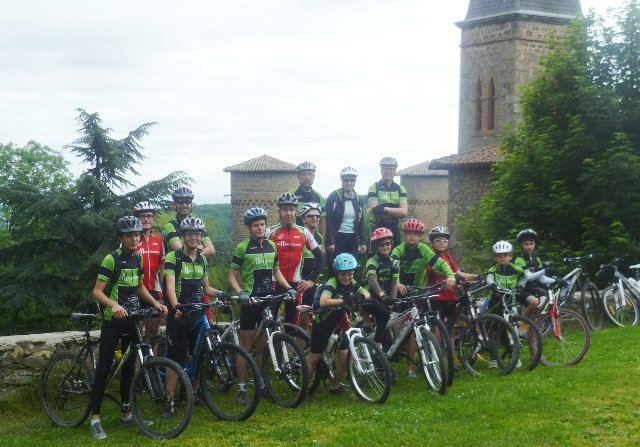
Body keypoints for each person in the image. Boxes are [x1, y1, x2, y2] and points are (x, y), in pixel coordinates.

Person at [89, 216, 167, 440]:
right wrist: (114, 306)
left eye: (137, 235)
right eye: (129, 235)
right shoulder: (111, 259)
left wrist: (155, 303)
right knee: (103, 369)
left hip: (132, 319)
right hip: (113, 321)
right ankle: (95, 418)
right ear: (120, 238)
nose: (134, 239)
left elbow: (140, 287)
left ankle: (126, 412)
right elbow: (97, 292)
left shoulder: (138, 259)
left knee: (128, 369)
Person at [228, 207, 295, 404]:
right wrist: (240, 292)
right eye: (256, 225)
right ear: (249, 227)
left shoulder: (272, 246)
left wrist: (288, 287)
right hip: (250, 301)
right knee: (246, 346)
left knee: (263, 346)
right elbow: (231, 276)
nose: (260, 228)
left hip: (267, 300)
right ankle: (241, 387)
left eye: (262, 225)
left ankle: (262, 383)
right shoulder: (242, 248)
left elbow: (276, 271)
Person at [163, 217, 228, 416]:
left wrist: (222, 293)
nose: (193, 237)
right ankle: (169, 401)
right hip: (179, 314)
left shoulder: (202, 258)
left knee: (201, 353)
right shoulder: (173, 258)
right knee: (176, 358)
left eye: (197, 234)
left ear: (201, 237)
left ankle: (197, 391)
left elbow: (206, 287)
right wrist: (175, 306)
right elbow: (170, 287)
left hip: (197, 312)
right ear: (182, 236)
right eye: (189, 234)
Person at [307, 253, 370, 395]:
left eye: (350, 274)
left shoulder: (351, 283)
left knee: (344, 356)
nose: (347, 277)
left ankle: (335, 386)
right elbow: (324, 301)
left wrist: (360, 296)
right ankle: (303, 391)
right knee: (314, 358)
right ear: (337, 273)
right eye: (343, 274)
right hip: (322, 322)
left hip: (339, 322)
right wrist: (345, 300)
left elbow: (366, 292)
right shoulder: (332, 283)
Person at [265, 192, 324, 326]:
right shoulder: (270, 232)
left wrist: (312, 280)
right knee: (269, 322)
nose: (288, 213)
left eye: (291, 209)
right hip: (273, 283)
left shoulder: (304, 232)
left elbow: (320, 258)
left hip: (295, 284)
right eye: (285, 209)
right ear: (279, 211)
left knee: (291, 324)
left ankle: (289, 347)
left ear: (296, 211)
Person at [426, 226, 478, 326]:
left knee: (451, 326)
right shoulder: (430, 256)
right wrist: (454, 276)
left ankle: (451, 342)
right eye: (438, 240)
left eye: (445, 241)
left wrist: (476, 276)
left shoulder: (448, 257)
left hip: (450, 297)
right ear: (432, 242)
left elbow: (459, 273)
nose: (442, 243)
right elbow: (434, 272)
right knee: (438, 327)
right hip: (436, 297)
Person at [392, 219, 456, 297]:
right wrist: (397, 283)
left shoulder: (424, 249)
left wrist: (450, 276)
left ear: (420, 237)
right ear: (405, 235)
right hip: (401, 290)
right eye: (409, 233)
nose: (412, 236)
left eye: (415, 234)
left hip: (419, 293)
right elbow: (393, 269)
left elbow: (440, 263)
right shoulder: (398, 250)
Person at [132, 201, 165, 344]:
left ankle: (153, 365)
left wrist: (164, 291)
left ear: (153, 219)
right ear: (137, 218)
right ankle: (138, 366)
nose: (146, 219)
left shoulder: (158, 239)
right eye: (143, 216)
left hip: (153, 291)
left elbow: (162, 267)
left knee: (153, 334)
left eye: (150, 216)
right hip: (134, 292)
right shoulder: (131, 239)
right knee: (137, 336)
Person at [324, 167, 367, 274]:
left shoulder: (358, 199)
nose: (349, 183)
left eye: (352, 180)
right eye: (346, 180)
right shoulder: (334, 196)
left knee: (351, 268)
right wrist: (330, 241)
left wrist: (363, 242)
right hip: (337, 238)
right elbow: (328, 220)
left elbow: (361, 221)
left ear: (355, 182)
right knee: (336, 267)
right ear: (342, 181)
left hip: (352, 238)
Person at [360, 227, 398, 348]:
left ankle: (380, 347)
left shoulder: (394, 262)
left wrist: (392, 299)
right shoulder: (372, 261)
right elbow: (372, 280)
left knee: (385, 316)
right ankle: (377, 346)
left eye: (388, 243)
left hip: (383, 297)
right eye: (381, 245)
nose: (385, 247)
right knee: (385, 315)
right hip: (367, 295)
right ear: (376, 247)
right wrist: (383, 296)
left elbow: (394, 282)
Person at [367, 157, 408, 247]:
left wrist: (384, 209)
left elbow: (404, 212)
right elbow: (375, 210)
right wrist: (396, 211)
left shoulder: (400, 189)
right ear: (381, 170)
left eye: (391, 169)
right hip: (378, 226)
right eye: (385, 168)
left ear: (395, 171)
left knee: (395, 257)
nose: (388, 171)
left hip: (394, 228)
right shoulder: (374, 187)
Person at [513, 229, 554, 318]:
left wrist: (555, 280)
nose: (529, 247)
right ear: (521, 245)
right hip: (520, 290)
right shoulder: (520, 260)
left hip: (533, 290)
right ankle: (523, 326)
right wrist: (545, 270)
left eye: (531, 243)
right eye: (526, 244)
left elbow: (542, 278)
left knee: (550, 299)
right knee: (534, 302)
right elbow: (529, 277)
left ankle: (533, 327)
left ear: (535, 244)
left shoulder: (536, 260)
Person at [164, 187, 215, 256]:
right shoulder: (171, 225)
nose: (184, 205)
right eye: (181, 202)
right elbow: (180, 250)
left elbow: (211, 250)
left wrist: (193, 253)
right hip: (177, 265)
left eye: (187, 202)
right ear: (174, 204)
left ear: (191, 204)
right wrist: (201, 247)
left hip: (196, 266)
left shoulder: (197, 224)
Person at [298, 202, 325, 332]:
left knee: (306, 322)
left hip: (311, 283)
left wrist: (313, 280)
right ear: (303, 219)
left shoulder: (319, 238)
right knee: (296, 321)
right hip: (299, 283)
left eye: (317, 216)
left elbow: (320, 261)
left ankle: (298, 352)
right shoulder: (299, 235)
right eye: (310, 216)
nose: (315, 218)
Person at [288, 161, 326, 236]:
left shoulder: (318, 197)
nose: (307, 177)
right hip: (295, 237)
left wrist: (323, 242)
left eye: (310, 174)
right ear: (298, 176)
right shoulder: (291, 195)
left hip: (314, 238)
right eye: (304, 174)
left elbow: (322, 221)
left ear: (314, 176)